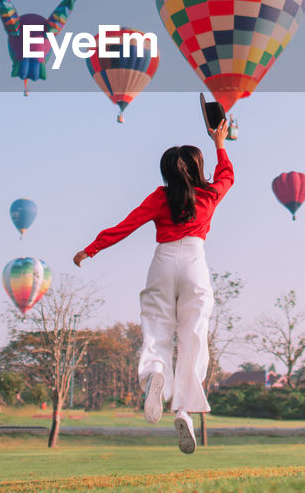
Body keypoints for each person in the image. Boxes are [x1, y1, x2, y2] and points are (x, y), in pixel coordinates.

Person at [73, 119, 233, 454]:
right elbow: (227, 175)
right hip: (194, 262)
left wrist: (92, 248)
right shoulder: (209, 194)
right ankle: (184, 411)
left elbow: (127, 224)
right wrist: (219, 142)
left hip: (163, 263)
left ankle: (157, 373)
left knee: (157, 327)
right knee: (193, 335)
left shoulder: (160, 197)